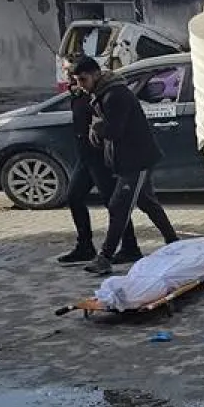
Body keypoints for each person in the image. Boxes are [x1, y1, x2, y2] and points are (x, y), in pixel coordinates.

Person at [69, 56, 180, 275]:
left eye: (83, 79)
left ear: (95, 74)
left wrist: (98, 128)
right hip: (128, 159)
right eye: (77, 80)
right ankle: (174, 241)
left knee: (119, 206)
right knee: (148, 203)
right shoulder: (102, 93)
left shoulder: (114, 95)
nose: (80, 84)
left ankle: (104, 257)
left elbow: (114, 130)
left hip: (136, 160)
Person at [55, 60, 140, 265]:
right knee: (74, 197)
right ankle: (85, 246)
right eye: (72, 77)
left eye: (80, 78)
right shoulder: (79, 94)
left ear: (93, 74)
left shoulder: (102, 93)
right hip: (85, 157)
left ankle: (130, 246)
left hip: (102, 157)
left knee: (114, 203)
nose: (76, 82)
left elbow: (111, 124)